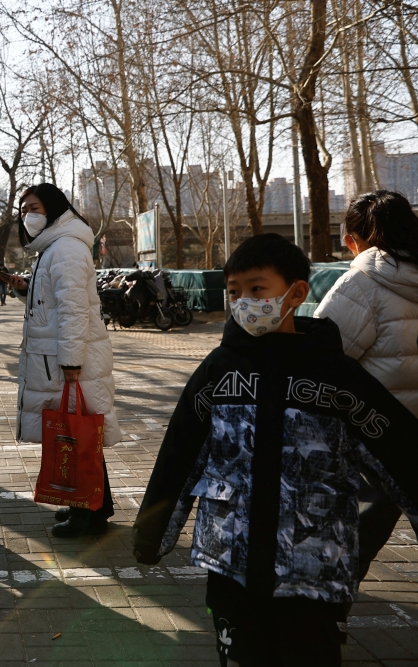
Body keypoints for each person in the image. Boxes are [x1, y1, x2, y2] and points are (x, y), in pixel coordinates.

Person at [132, 233, 418, 666]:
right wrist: (151, 534)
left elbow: (399, 451)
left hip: (313, 570)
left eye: (257, 289)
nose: (244, 301)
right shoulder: (219, 371)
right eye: (234, 292)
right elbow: (180, 451)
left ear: (296, 292)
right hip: (230, 564)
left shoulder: (335, 377)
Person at [0, 184, 121, 538]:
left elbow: (73, 309)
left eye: (34, 207)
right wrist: (26, 290)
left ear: (53, 208)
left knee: (78, 435)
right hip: (63, 359)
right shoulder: (55, 248)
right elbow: (54, 306)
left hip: (71, 361)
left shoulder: (65, 248)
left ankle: (88, 514)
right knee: (80, 434)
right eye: (23, 210)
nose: (28, 215)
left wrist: (70, 361)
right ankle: (96, 505)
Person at [315, 190, 418, 577]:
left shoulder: (360, 285)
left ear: (353, 240)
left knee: (357, 531)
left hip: (380, 432)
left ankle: (326, 613)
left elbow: (325, 361)